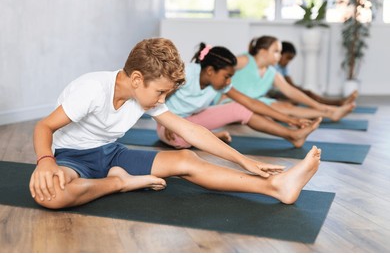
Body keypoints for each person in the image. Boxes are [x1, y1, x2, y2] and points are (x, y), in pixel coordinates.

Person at [29, 37, 322, 209]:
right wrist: (45, 162)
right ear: (136, 79)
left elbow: (191, 131)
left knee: (186, 157)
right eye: (160, 92)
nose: (162, 99)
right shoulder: (92, 89)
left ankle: (275, 187)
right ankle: (120, 182)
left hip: (111, 152)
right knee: (54, 196)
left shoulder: (145, 95)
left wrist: (244, 161)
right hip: (72, 158)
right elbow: (44, 127)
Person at [158, 43, 322, 149]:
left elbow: (250, 103)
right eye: (226, 76)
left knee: (240, 108)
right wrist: (170, 124)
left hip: (194, 120)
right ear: (210, 71)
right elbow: (157, 100)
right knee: (181, 140)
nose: (229, 80)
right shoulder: (184, 73)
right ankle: (210, 135)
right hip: (168, 124)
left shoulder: (221, 83)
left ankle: (292, 136)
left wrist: (290, 120)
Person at [216, 36, 356, 121]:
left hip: (255, 103)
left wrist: (318, 105)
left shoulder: (272, 72)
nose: (279, 55)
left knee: (285, 106)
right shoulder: (245, 60)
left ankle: (330, 113)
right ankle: (329, 112)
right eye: (276, 51)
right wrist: (222, 92)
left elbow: (291, 92)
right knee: (273, 110)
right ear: (263, 52)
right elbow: (220, 66)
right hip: (231, 102)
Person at [268, 41, 358, 106]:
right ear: (280, 53)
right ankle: (335, 104)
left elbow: (290, 84)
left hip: (281, 91)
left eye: (291, 59)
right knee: (299, 98)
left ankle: (336, 103)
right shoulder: (271, 65)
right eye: (287, 58)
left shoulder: (283, 68)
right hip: (272, 92)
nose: (288, 62)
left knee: (307, 94)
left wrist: (303, 91)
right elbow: (285, 86)